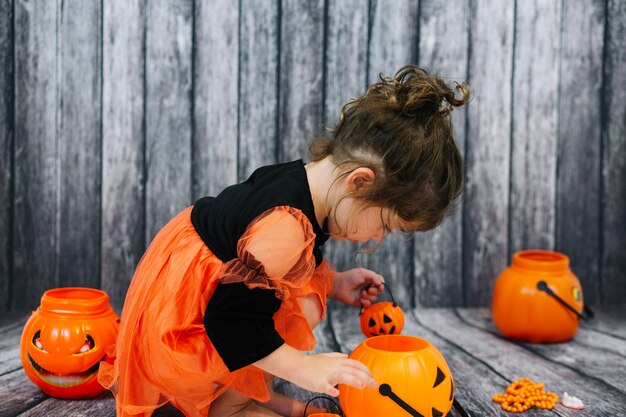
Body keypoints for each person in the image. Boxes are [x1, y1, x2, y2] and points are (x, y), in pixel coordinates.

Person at [98, 65, 470, 417]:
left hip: (213, 286)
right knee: (293, 309)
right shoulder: (284, 226)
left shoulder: (309, 187)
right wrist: (300, 367)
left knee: (302, 296)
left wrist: (335, 282)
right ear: (359, 182)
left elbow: (291, 267)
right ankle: (230, 406)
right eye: (385, 225)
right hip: (187, 308)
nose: (377, 237)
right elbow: (231, 323)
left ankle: (243, 393)